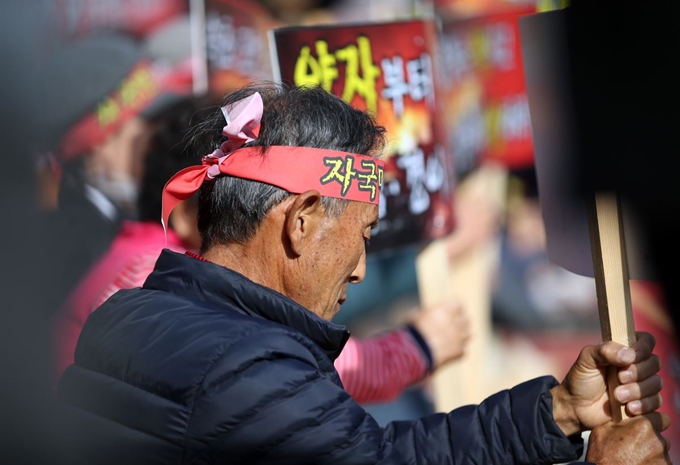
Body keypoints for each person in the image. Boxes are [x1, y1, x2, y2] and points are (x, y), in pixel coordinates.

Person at [56, 83, 670, 464]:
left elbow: (374, 451)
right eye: (362, 236)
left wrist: (558, 411)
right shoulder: (253, 369)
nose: (360, 269)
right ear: (300, 221)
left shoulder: (132, 310)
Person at [52, 94, 470, 403]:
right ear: (185, 215)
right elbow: (320, 368)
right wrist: (420, 345)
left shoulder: (144, 258)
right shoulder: (154, 277)